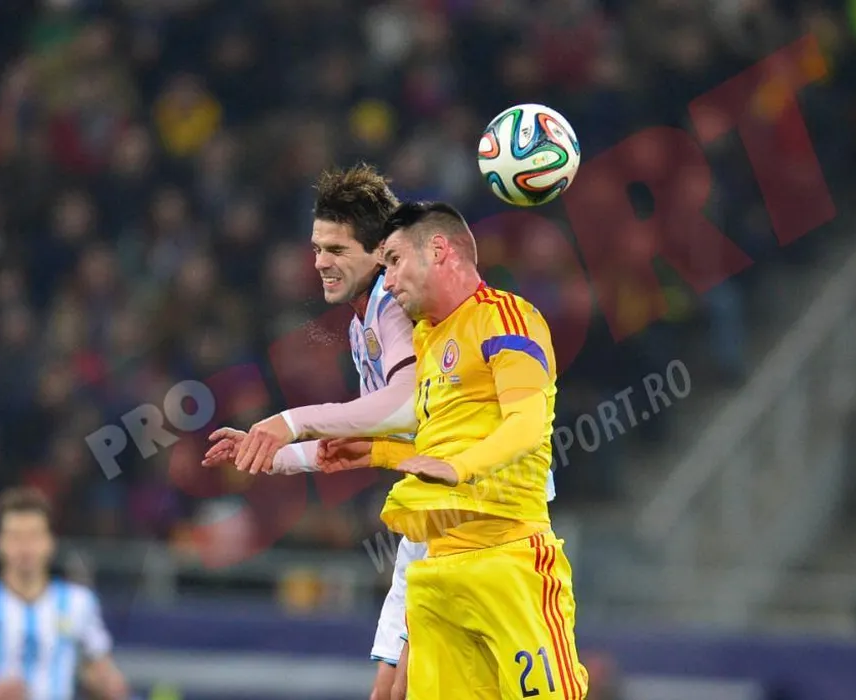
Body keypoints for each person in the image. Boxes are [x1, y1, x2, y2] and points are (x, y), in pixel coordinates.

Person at [319, 201, 587, 698]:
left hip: (507, 557)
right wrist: (378, 453)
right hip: (437, 570)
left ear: (439, 249)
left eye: (394, 261)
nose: (387, 281)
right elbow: (439, 444)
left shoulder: (506, 317)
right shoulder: (424, 339)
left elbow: (527, 424)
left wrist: (459, 467)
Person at [201, 163, 422, 700]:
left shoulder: (395, 308)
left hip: (470, 528)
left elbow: (407, 407)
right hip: (426, 524)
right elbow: (372, 437)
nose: (321, 261)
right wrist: (273, 455)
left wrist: (290, 422)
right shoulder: (362, 323)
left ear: (379, 252)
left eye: (337, 249)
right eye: (318, 248)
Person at [0, 487, 128, 700]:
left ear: (50, 542)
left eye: (33, 536)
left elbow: (100, 666)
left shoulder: (78, 602)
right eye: (15, 537)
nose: (25, 547)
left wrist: (105, 682)